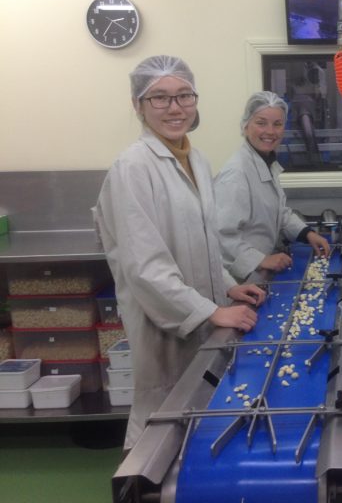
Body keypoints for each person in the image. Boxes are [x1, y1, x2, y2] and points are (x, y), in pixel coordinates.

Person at [95, 55, 266, 449]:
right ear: (138, 105)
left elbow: (204, 239)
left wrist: (227, 285)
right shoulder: (132, 169)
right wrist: (212, 311)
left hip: (199, 311)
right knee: (162, 422)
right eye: (160, 98)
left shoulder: (196, 158)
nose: (175, 107)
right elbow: (146, 268)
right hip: (163, 325)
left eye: (184, 95)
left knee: (195, 419)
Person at [214, 91, 329, 282]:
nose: (270, 131)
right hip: (241, 280)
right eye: (261, 123)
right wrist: (262, 260)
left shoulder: (266, 163)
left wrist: (307, 233)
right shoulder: (236, 174)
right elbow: (220, 236)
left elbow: (278, 212)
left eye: (277, 124)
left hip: (260, 273)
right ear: (245, 125)